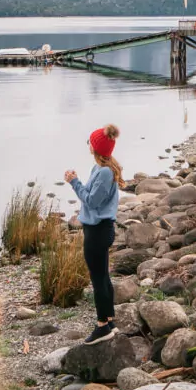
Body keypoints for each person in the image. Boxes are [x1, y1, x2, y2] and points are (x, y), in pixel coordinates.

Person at [65, 124, 125, 345]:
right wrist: (79, 181)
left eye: (90, 141)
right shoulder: (100, 169)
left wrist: (74, 182)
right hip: (98, 229)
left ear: (97, 147)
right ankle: (110, 321)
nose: (88, 144)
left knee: (98, 278)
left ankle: (102, 326)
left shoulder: (104, 172)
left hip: (98, 231)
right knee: (103, 275)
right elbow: (91, 195)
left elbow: (91, 200)